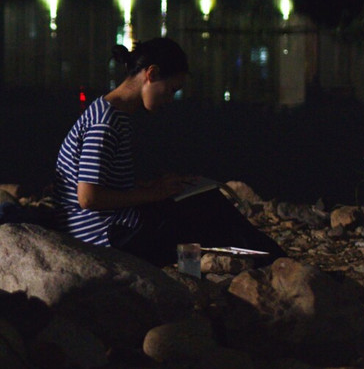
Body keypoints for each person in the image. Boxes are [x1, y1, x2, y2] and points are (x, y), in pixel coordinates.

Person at [51, 37, 284, 267]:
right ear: (151, 74)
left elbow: (105, 184)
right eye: (171, 90)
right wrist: (153, 194)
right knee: (204, 211)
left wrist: (153, 187)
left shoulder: (112, 113)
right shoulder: (105, 123)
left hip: (112, 224)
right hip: (103, 234)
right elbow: (88, 197)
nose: (170, 99)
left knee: (199, 203)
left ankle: (244, 264)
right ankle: (272, 261)